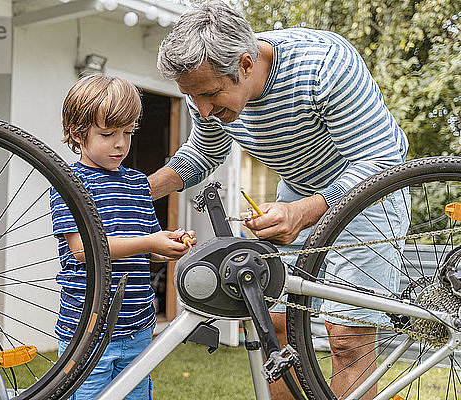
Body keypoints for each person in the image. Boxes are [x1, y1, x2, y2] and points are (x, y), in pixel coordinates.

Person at [150, 1, 409, 399]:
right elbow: (203, 153)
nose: (202, 109)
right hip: (298, 192)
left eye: (210, 94)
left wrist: (302, 212)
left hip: (368, 196)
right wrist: (131, 193)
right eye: (192, 96)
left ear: (245, 65)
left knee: (346, 339)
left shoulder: (324, 65)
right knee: (275, 324)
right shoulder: (205, 90)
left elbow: (380, 159)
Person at [51, 74, 196, 400]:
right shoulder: (70, 182)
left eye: (128, 132)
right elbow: (81, 250)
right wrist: (150, 243)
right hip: (86, 331)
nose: (120, 143)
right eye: (108, 134)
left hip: (138, 326)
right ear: (78, 133)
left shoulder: (137, 183)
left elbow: (150, 247)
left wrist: (169, 245)